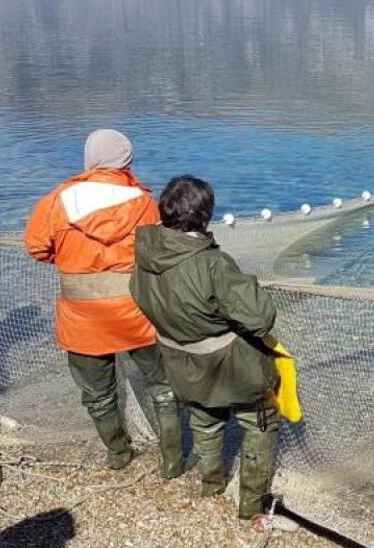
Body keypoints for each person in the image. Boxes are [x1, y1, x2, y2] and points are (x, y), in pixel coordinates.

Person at [24, 129, 183, 478]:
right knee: (162, 385)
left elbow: (37, 247)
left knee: (97, 392)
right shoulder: (144, 203)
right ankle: (172, 459)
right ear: (125, 161)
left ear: (90, 158)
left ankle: (118, 452)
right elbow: (161, 253)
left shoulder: (57, 201)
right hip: (138, 312)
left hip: (83, 316)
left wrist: (70, 257)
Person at [130, 175, 283, 519]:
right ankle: (251, 505)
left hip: (180, 363)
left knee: (204, 420)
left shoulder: (144, 254)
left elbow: (142, 299)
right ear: (205, 216)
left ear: (165, 212)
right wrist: (250, 285)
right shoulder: (212, 263)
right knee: (260, 422)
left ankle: (210, 485)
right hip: (233, 368)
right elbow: (261, 317)